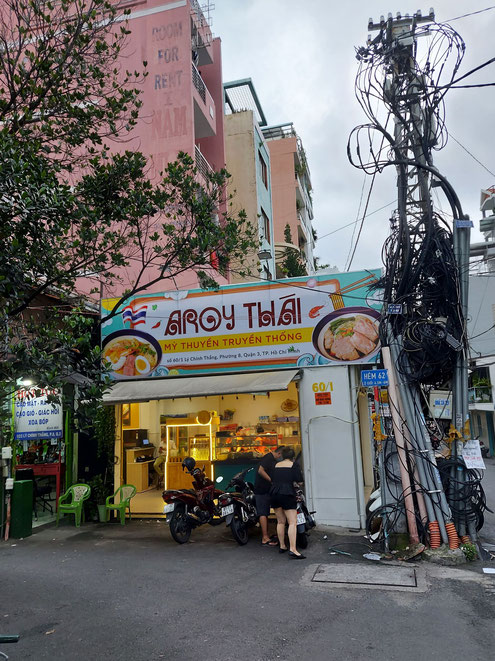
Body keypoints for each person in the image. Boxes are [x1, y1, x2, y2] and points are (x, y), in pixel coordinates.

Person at [270, 446, 305, 558]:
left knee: (280, 522)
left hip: (274, 493)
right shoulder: (293, 465)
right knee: (292, 522)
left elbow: (273, 479)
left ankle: (282, 546)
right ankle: (293, 549)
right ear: (293, 457)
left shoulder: (275, 465)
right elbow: (299, 482)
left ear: (283, 455)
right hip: (287, 493)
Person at [253, 445, 284, 546]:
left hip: (266, 489)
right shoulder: (268, 457)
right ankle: (265, 537)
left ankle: (268, 535)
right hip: (261, 490)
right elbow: (260, 470)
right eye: (282, 455)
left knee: (265, 512)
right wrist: (271, 480)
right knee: (263, 513)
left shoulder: (271, 459)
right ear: (279, 453)